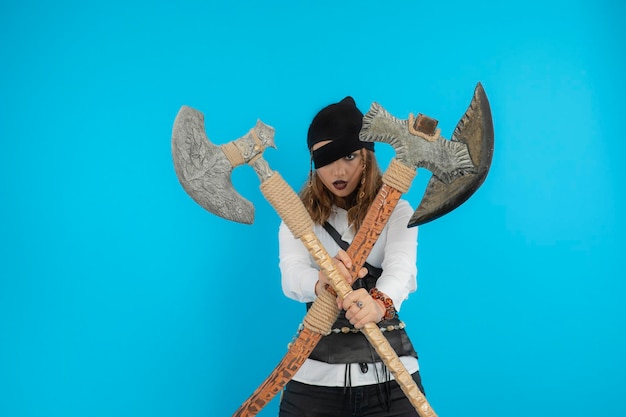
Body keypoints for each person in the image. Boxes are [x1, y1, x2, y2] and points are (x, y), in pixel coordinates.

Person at [278, 96, 425, 417]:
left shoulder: (397, 211)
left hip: (392, 379)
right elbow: (291, 275)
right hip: (314, 383)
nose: (339, 170)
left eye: (349, 156)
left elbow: (402, 269)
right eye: (327, 159)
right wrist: (318, 282)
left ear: (368, 156)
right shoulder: (298, 217)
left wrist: (378, 303)